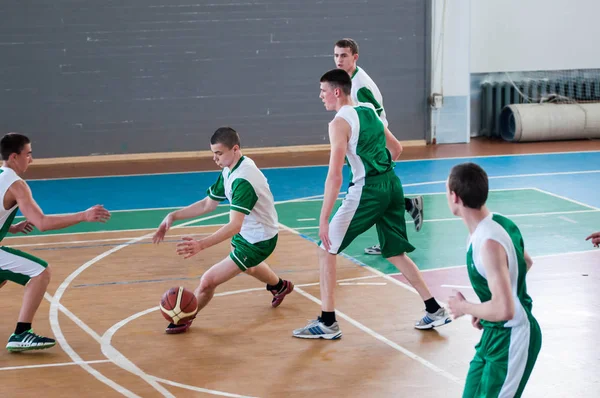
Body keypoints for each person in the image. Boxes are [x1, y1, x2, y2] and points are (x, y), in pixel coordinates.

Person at [292, 70, 450, 340]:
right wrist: (381, 173)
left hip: (367, 191)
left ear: (337, 92)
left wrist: (323, 218)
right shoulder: (368, 110)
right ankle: (434, 309)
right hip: (392, 184)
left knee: (326, 249)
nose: (320, 96)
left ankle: (327, 322)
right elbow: (397, 148)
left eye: (323, 91)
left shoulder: (339, 123)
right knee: (395, 252)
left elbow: (335, 176)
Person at [153, 127, 294, 334]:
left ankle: (183, 317)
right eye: (213, 153)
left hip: (258, 241)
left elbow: (234, 225)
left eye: (219, 153)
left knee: (208, 281)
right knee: (249, 267)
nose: (214, 158)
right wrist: (173, 216)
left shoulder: (243, 181)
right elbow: (207, 205)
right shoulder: (230, 169)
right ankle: (280, 286)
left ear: (235, 149)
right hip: (247, 232)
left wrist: (201, 244)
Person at [0, 133, 111, 352]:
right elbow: (42, 222)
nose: (31, 159)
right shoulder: (16, 185)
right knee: (41, 272)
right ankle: (21, 333)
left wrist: (11, 227)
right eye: (28, 154)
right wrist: (83, 216)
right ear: (14, 156)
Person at [446, 163, 542, 398]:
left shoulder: (488, 242)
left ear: (455, 197)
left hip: (513, 337)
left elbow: (505, 309)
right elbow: (525, 263)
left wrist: (464, 307)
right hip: (494, 333)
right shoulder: (497, 223)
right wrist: (486, 309)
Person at [333, 38, 424, 256]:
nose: (338, 60)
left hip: (372, 143)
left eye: (343, 55)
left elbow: (374, 117)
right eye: (336, 55)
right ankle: (407, 206)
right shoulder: (347, 81)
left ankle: (397, 226)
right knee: (370, 190)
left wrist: (373, 147)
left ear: (355, 57)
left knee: (369, 189)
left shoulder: (359, 85)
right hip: (364, 142)